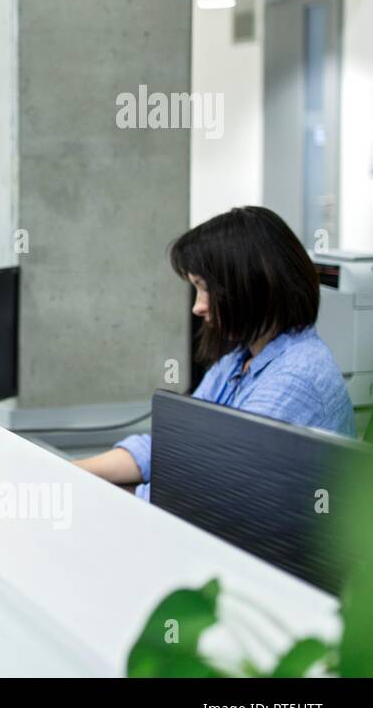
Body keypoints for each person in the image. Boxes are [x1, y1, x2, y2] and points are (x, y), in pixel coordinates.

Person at [76, 206, 355, 501]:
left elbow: (213, 486)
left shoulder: (296, 378)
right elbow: (175, 443)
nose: (198, 307)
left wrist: (102, 499)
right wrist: (72, 471)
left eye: (205, 289)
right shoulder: (238, 361)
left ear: (253, 287)